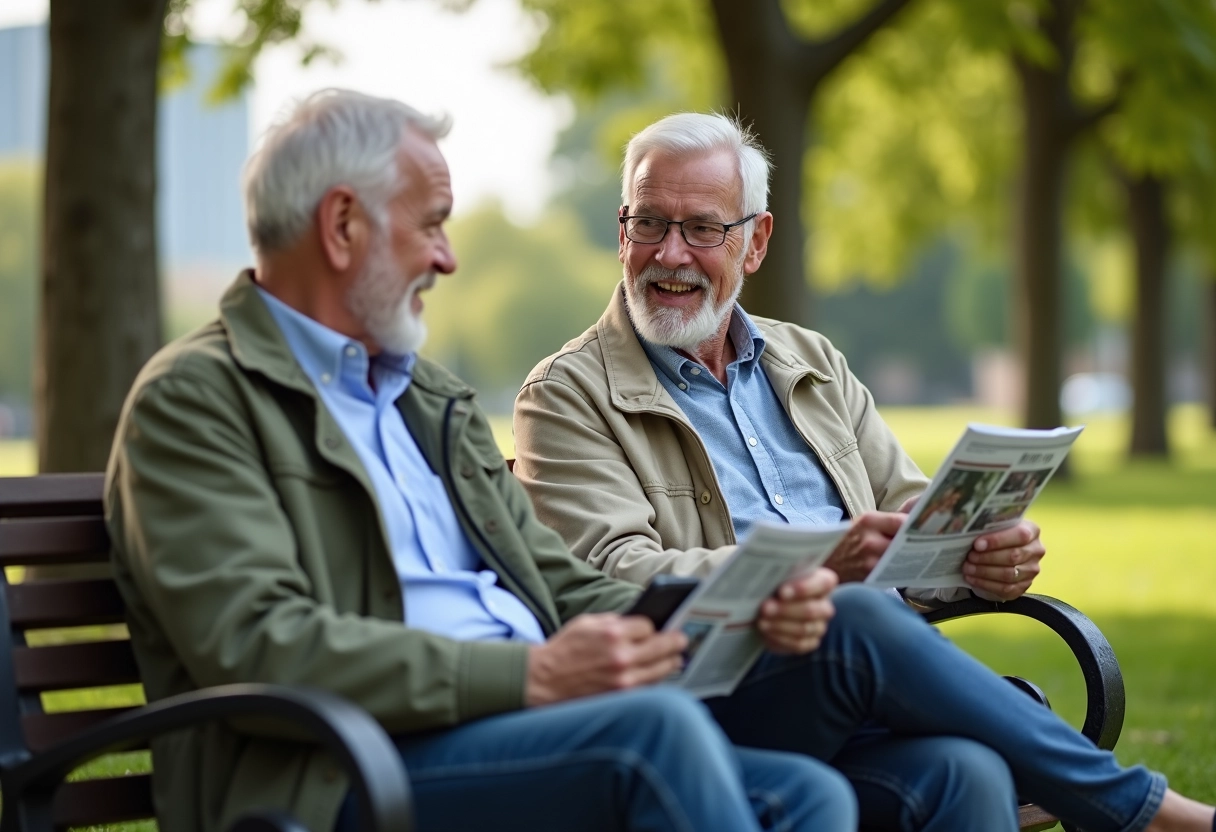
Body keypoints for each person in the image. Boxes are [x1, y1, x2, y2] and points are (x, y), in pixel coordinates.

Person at [105, 89, 864, 832]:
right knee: (654, 739)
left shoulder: (427, 398)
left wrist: (730, 615)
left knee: (808, 795)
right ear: (342, 226)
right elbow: (257, 642)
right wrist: (528, 676)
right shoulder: (197, 399)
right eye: (431, 224)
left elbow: (558, 583)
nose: (448, 256)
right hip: (333, 771)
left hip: (518, 726)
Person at [512, 111, 1216, 832]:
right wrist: (820, 567)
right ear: (621, 230)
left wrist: (981, 558)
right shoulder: (566, 394)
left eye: (702, 229)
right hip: (702, 704)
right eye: (650, 223)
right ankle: (1144, 813)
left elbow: (916, 522)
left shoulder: (812, 362)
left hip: (861, 696)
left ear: (755, 242)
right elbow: (606, 580)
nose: (671, 254)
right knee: (856, 610)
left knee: (965, 774)